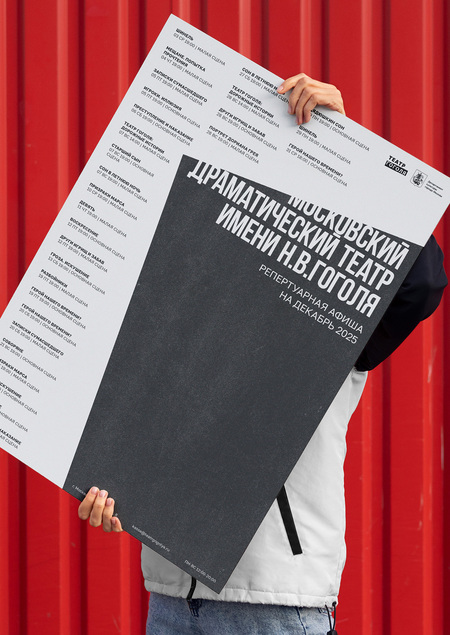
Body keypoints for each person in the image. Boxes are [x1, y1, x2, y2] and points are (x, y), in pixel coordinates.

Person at [78, 74, 447, 635]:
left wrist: (349, 155)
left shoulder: (327, 316)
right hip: (171, 599)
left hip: (277, 603)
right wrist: (110, 487)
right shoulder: (181, 315)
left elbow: (420, 283)